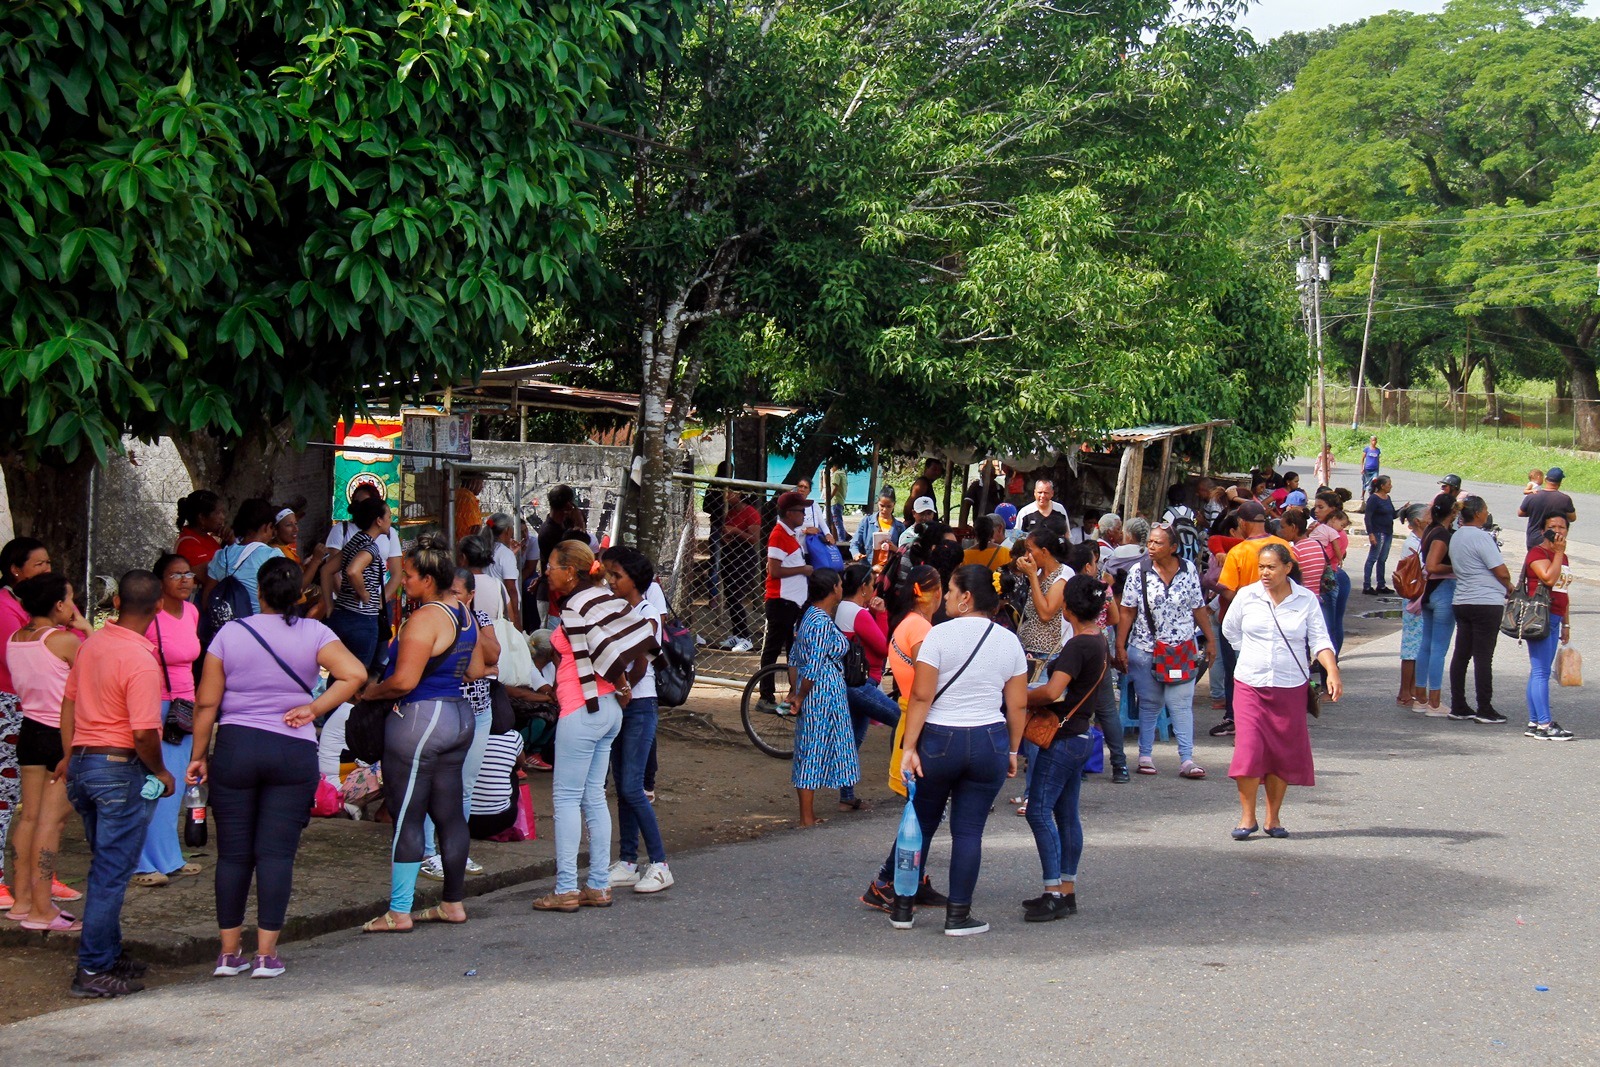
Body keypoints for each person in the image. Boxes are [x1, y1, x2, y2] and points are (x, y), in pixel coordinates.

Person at [187, 557, 366, 977]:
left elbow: (207, 703)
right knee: (276, 855)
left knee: (232, 856)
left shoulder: (231, 633)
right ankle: (267, 955)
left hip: (236, 748)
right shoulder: (315, 632)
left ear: (259, 594)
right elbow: (354, 673)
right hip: (291, 751)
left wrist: (198, 756)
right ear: (300, 596)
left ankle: (229, 954)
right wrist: (313, 708)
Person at [357, 536, 489, 932]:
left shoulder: (425, 618)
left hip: (421, 720)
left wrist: (369, 693)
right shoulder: (464, 614)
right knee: (449, 815)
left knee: (408, 816)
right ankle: (452, 903)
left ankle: (399, 911)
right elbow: (476, 670)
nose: (404, 581)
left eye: (410, 576)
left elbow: (403, 681)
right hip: (459, 718)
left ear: (429, 580)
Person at [890, 565, 1029, 935]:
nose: (946, 598)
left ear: (966, 598)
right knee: (969, 832)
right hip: (989, 741)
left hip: (938, 740)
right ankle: (958, 914)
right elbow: (1017, 706)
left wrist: (909, 746)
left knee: (921, 823)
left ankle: (903, 907)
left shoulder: (938, 637)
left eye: (951, 591)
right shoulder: (1009, 641)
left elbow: (921, 695)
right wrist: (1013, 749)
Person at [56, 571, 169, 998]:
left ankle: (106, 951)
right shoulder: (140, 659)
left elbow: (68, 702)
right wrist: (161, 771)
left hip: (84, 764)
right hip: (117, 767)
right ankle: (93, 968)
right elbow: (144, 732)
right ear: (158, 606)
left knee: (104, 866)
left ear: (117, 601)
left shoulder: (92, 645)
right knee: (110, 872)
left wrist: (69, 755)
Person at [533, 539, 654, 912]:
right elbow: (639, 644)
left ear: (570, 571)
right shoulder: (606, 599)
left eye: (551, 566)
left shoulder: (576, 605)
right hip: (608, 711)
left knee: (567, 799)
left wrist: (619, 681)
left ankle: (567, 888)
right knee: (594, 797)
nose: (546, 572)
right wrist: (621, 685)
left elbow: (600, 651)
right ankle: (599, 884)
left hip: (581, 708)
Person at [1223, 544, 1341, 840]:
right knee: (1249, 749)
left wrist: (1332, 672)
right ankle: (1247, 817)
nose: (1264, 573)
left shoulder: (1306, 600)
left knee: (1281, 753)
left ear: (1288, 568)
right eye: (1261, 567)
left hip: (1290, 686)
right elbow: (1230, 630)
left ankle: (1273, 818)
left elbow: (1319, 638)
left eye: (1271, 567)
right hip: (1250, 683)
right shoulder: (1247, 596)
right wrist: (1251, 654)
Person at [0, 537, 82, 912]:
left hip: (29, 731)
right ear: (58, 605)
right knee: (53, 824)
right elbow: (101, 664)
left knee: (29, 817)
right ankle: (42, 906)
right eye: (68, 600)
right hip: (59, 735)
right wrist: (85, 626)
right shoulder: (64, 641)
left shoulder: (17, 638)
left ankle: (21, 901)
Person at [1022, 575, 1111, 921]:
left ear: (1067, 607)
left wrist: (1016, 697)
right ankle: (1066, 888)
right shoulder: (1097, 639)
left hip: (1061, 737)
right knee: (1066, 814)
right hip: (1080, 734)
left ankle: (1053, 891)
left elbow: (1051, 691)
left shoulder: (1078, 645)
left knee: (1039, 810)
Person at [858, 565, 944, 915]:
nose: (944, 596)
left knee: (925, 809)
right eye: (942, 588)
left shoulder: (907, 624)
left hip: (913, 717)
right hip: (919, 721)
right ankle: (884, 882)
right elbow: (929, 682)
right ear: (929, 591)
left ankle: (914, 877)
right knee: (923, 811)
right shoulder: (921, 628)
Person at [417, 566, 503, 882]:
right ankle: (428, 852)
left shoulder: (479, 620)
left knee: (465, 785)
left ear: (470, 595)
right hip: (443, 709)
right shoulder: (431, 618)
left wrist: (468, 622)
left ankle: (455, 850)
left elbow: (495, 654)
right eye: (448, 591)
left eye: (457, 593)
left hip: (479, 712)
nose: (452, 598)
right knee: (435, 783)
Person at [599, 546, 674, 893]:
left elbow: (643, 661)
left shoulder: (647, 613)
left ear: (635, 580)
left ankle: (659, 864)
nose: (610, 581)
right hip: (621, 702)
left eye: (617, 576)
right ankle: (628, 860)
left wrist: (624, 686)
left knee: (632, 786)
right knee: (622, 786)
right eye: (610, 574)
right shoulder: (617, 610)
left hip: (639, 704)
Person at [1117, 523, 1216, 779]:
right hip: (1145, 648)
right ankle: (1145, 756)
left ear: (1173, 548)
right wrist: (1120, 645)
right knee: (1150, 704)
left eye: (1158, 543)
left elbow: (1198, 607)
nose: (1151, 547)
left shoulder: (1188, 570)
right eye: (1149, 542)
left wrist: (1210, 640)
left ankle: (1187, 759)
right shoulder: (1138, 572)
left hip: (1181, 649)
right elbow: (1127, 610)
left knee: (1181, 704)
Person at [132, 554, 205, 887]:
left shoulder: (191, 612)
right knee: (151, 783)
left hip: (185, 708)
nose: (185, 580)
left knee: (176, 784)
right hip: (156, 704)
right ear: (159, 582)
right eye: (176, 575)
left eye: (188, 574)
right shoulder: (151, 617)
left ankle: (169, 856)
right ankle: (140, 861)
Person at [1207, 501, 1291, 737]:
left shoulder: (1240, 552)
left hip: (1243, 623)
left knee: (1239, 673)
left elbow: (1229, 590)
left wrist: (1214, 584)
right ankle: (1271, 718)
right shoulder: (1283, 546)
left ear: (1242, 523)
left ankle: (1236, 718)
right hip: (1279, 621)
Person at [787, 569, 859, 827]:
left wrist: (795, 690)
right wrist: (801, 695)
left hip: (818, 690)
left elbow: (794, 659)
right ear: (833, 589)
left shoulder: (810, 617)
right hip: (822, 692)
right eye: (840, 584)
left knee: (811, 748)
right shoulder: (819, 621)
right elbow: (814, 665)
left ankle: (808, 815)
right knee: (813, 750)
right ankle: (806, 817)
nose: (842, 587)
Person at [835, 564, 901, 811]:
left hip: (849, 681)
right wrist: (881, 615)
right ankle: (904, 781)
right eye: (873, 585)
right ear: (863, 587)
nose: (875, 589)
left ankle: (847, 796)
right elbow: (883, 648)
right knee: (901, 720)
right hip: (863, 682)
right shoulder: (859, 614)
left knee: (854, 739)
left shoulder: (842, 608)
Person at [1445, 496, 1511, 725]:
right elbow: (1500, 571)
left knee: (1462, 654)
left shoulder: (1456, 537)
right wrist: (1510, 588)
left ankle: (1459, 704)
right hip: (1485, 601)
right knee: (1483, 657)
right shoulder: (1482, 537)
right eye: (1486, 509)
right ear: (1480, 513)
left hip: (1462, 599)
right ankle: (1485, 707)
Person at [760, 492, 814, 708]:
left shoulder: (790, 534)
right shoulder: (778, 534)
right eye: (801, 511)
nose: (804, 514)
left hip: (792, 602)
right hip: (781, 601)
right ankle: (766, 696)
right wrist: (803, 569)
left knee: (794, 650)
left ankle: (793, 695)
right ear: (789, 513)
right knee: (773, 650)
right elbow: (774, 570)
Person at [326, 495, 392, 670]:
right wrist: (364, 594)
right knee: (357, 675)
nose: (390, 521)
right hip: (362, 620)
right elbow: (353, 570)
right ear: (378, 521)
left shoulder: (354, 541)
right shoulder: (370, 547)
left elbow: (326, 570)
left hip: (341, 615)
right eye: (389, 517)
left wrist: (328, 605)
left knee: (339, 673)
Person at [1524, 515, 1574, 740]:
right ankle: (1545, 724)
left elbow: (1563, 591)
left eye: (1561, 527)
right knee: (1541, 671)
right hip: (1540, 618)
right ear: (1543, 530)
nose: (1557, 531)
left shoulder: (1561, 557)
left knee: (1539, 671)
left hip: (1555, 617)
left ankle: (1535, 722)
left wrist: (1566, 623)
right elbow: (1549, 578)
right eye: (1552, 527)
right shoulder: (1538, 553)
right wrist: (1559, 553)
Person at [1414, 494, 1459, 715]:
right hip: (1443, 591)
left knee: (1426, 645)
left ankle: (1420, 697)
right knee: (1439, 649)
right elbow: (1432, 565)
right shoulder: (1442, 534)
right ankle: (1434, 701)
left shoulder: (1429, 530)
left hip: (1428, 593)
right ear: (1452, 512)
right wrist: (1456, 568)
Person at [207, 499, 285, 617]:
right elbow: (284, 598)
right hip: (258, 625)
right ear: (266, 527)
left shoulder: (222, 555)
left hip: (227, 626)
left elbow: (207, 598)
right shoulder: (273, 555)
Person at [1395, 504, 1430, 710]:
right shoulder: (1413, 544)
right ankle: (1405, 691)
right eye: (1427, 516)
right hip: (1414, 598)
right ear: (1418, 521)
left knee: (1417, 645)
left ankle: (1413, 689)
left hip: (1417, 598)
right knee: (1411, 646)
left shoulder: (1419, 541)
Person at [718, 490, 761, 653]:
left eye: (732, 493)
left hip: (744, 557)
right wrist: (727, 536)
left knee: (736, 596)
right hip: (730, 554)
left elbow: (754, 538)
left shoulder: (750, 512)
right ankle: (736, 633)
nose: (728, 495)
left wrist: (735, 531)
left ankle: (745, 637)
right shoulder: (731, 513)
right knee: (730, 596)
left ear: (741, 495)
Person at [176, 491, 228, 598]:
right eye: (218, 513)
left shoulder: (208, 539)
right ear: (202, 518)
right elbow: (211, 578)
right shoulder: (189, 544)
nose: (222, 517)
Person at [1517, 467, 1576, 550]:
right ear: (1560, 482)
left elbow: (1520, 513)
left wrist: (1535, 511)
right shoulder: (1565, 499)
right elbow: (1572, 518)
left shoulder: (1533, 496)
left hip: (1533, 538)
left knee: (1533, 561)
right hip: (1553, 539)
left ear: (1545, 479)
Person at [484, 512, 524, 630]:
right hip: (503, 609)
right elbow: (511, 588)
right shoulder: (504, 554)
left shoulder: (484, 548)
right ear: (507, 530)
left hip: (486, 604)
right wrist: (516, 617)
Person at [1362, 475, 1397, 595]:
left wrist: (1404, 509)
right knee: (1373, 558)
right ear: (1382, 486)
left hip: (1388, 531)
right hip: (1378, 532)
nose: (1391, 486)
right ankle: (1367, 585)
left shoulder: (1387, 498)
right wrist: (1370, 534)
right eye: (1389, 484)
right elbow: (1368, 517)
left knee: (1382, 559)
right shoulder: (1374, 499)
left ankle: (1381, 584)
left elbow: (1393, 514)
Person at [851, 489, 905, 562]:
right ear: (877, 503)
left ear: (894, 504)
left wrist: (895, 549)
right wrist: (856, 554)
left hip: (889, 569)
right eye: (882, 506)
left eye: (889, 506)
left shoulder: (899, 527)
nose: (885, 510)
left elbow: (905, 552)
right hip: (868, 567)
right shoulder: (866, 522)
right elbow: (855, 543)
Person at [794, 476, 834, 543]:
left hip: (813, 548)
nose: (802, 489)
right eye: (800, 486)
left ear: (809, 491)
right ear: (796, 488)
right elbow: (787, 530)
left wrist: (828, 534)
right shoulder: (790, 506)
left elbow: (822, 524)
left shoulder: (814, 505)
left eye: (805, 487)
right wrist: (805, 531)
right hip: (796, 547)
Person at [454, 471, 486, 537]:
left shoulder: (458, 494)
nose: (482, 486)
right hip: (467, 541)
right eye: (481, 482)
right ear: (473, 481)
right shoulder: (467, 497)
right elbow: (475, 528)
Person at [828, 464, 850, 546]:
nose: (830, 469)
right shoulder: (843, 474)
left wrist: (829, 498)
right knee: (834, 521)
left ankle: (842, 541)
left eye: (831, 467)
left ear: (835, 466)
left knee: (837, 522)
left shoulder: (836, 474)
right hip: (840, 501)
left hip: (835, 501)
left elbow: (835, 487)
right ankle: (843, 536)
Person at [1358, 435, 1381, 502]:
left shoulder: (1377, 450)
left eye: (1375, 440)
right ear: (1370, 441)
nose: (1374, 442)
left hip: (1375, 470)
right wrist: (1362, 468)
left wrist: (1378, 469)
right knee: (1365, 482)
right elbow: (1362, 459)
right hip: (1367, 469)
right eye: (1373, 440)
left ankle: (1371, 496)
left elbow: (1378, 460)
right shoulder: (1367, 449)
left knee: (1374, 482)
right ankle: (1362, 495)